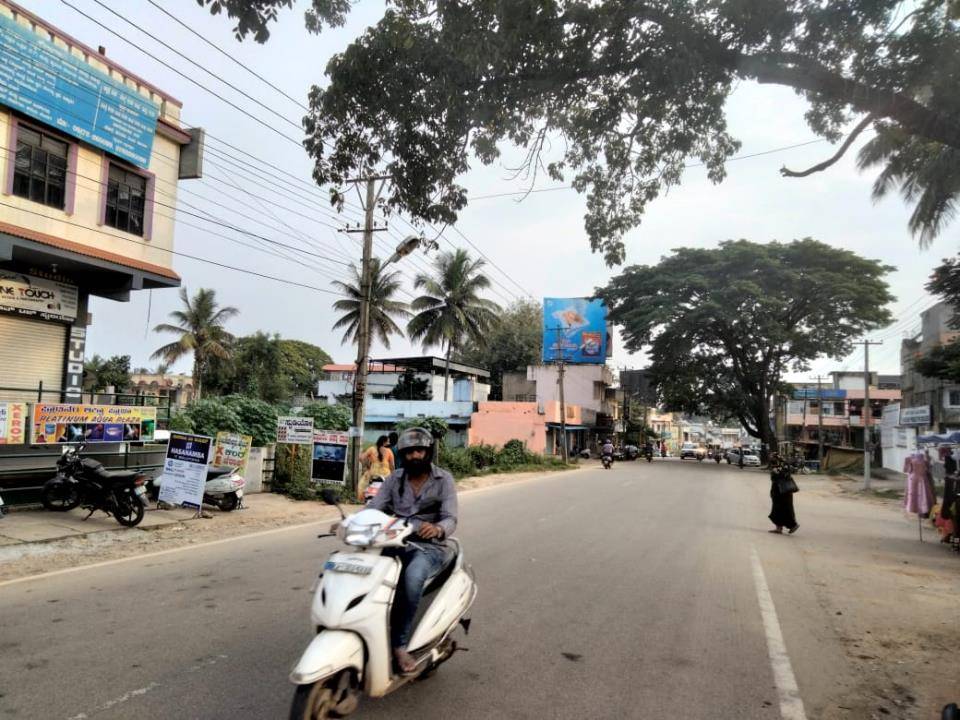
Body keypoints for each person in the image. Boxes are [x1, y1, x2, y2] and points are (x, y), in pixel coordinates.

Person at [368, 426, 458, 674]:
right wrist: (350, 523)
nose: (415, 456)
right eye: (409, 452)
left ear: (428, 452)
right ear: (402, 454)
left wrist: (438, 528)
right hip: (395, 541)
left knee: (412, 576)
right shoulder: (393, 479)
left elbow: (451, 518)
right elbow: (374, 508)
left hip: (430, 547)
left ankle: (399, 644)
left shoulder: (444, 479)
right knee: (365, 570)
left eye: (420, 450)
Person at [768, 453, 799, 534]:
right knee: (782, 509)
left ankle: (792, 525)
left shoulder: (778, 468)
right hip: (785, 491)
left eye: (772, 458)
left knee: (781, 509)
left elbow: (777, 479)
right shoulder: (785, 466)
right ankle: (779, 528)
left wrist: (775, 473)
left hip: (780, 492)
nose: (771, 460)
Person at [358, 435, 394, 501]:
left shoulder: (371, 449)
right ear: (384, 442)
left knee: (363, 485)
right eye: (388, 442)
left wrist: (367, 466)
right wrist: (392, 476)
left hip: (373, 474)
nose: (389, 443)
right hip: (386, 475)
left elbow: (361, 458)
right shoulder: (389, 451)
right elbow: (392, 466)